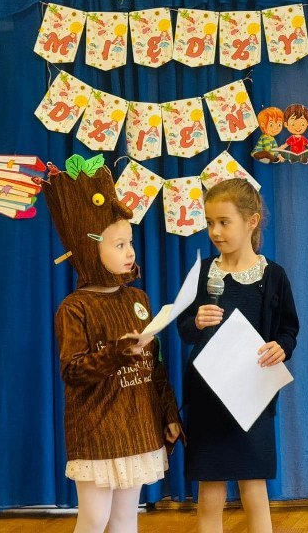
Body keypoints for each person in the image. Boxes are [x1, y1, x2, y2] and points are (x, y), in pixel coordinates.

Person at [38, 155, 183, 533]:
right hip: (98, 432)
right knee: (95, 518)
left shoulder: (138, 299)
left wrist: (168, 413)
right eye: (119, 244)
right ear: (90, 249)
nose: (129, 252)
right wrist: (117, 353)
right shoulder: (75, 308)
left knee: (124, 519)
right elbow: (73, 370)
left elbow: (154, 365)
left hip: (136, 426)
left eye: (129, 242)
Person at [177, 178, 299, 533]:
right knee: (209, 492)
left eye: (224, 222)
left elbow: (288, 330)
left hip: (252, 398)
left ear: (251, 221)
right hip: (208, 399)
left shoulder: (272, 276)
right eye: (210, 222)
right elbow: (183, 328)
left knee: (254, 489)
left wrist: (282, 347)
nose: (215, 231)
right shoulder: (203, 274)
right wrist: (195, 321)